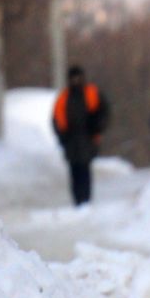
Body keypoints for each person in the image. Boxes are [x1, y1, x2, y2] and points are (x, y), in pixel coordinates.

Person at [52, 66, 109, 206]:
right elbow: (56, 120)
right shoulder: (63, 98)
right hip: (71, 141)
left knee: (85, 170)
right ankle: (78, 201)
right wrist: (62, 137)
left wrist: (96, 129)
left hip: (87, 139)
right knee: (74, 172)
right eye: (73, 78)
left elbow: (104, 112)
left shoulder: (92, 93)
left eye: (78, 77)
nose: (76, 81)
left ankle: (86, 200)